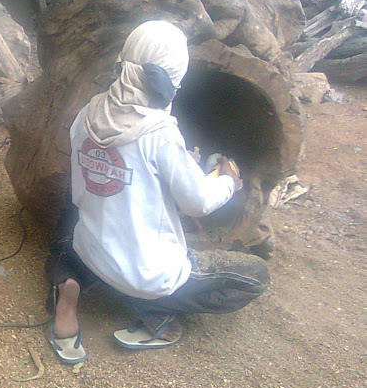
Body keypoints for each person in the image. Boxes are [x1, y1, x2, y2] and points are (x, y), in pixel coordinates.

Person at [47, 20, 269, 363]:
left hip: (91, 252)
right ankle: (155, 313)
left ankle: (70, 285)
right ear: (172, 76)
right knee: (254, 276)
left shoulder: (87, 113)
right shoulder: (161, 133)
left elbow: (105, 179)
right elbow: (198, 202)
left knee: (70, 229)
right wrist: (228, 181)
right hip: (147, 274)